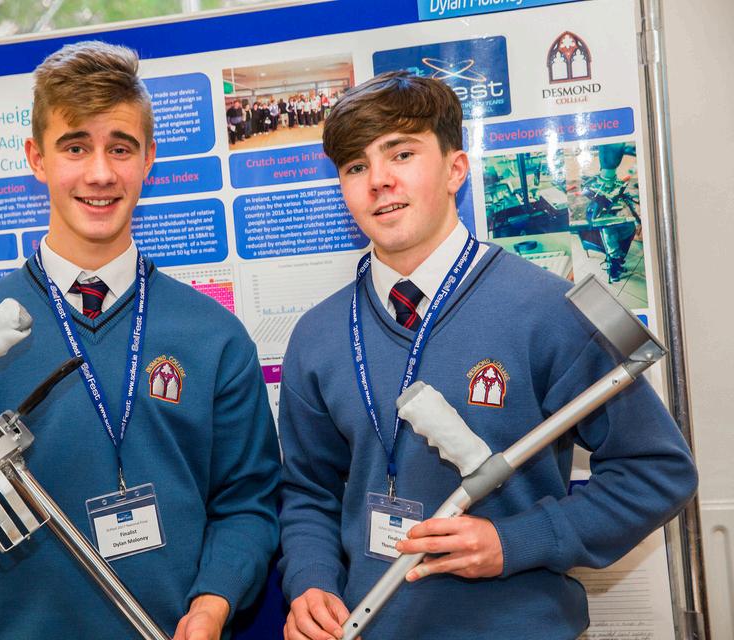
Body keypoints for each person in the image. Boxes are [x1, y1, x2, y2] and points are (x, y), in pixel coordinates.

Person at [277, 71, 697, 639]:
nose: (378, 180)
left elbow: (656, 471)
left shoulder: (550, 310)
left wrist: (514, 542)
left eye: (401, 154)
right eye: (355, 167)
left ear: (456, 169)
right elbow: (309, 492)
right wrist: (310, 581)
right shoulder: (318, 334)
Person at [0, 41, 280, 640]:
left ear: (148, 160)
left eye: (120, 148)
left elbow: (248, 504)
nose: (100, 173)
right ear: (37, 158)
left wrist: (213, 603)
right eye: (75, 147)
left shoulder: (213, 336)